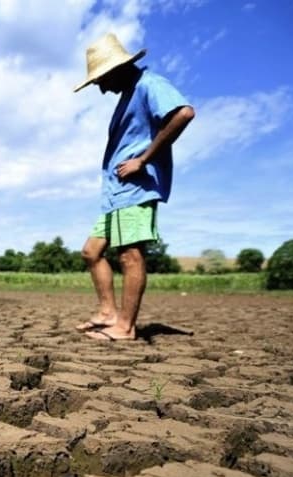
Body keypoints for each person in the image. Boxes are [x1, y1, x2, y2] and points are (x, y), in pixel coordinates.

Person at [73, 33, 195, 341]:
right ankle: (107, 313)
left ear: (117, 68)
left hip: (135, 188)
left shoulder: (148, 84)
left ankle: (125, 327)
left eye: (100, 79)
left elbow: (184, 113)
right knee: (91, 251)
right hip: (115, 192)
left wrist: (143, 159)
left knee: (130, 255)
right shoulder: (128, 93)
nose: (100, 88)